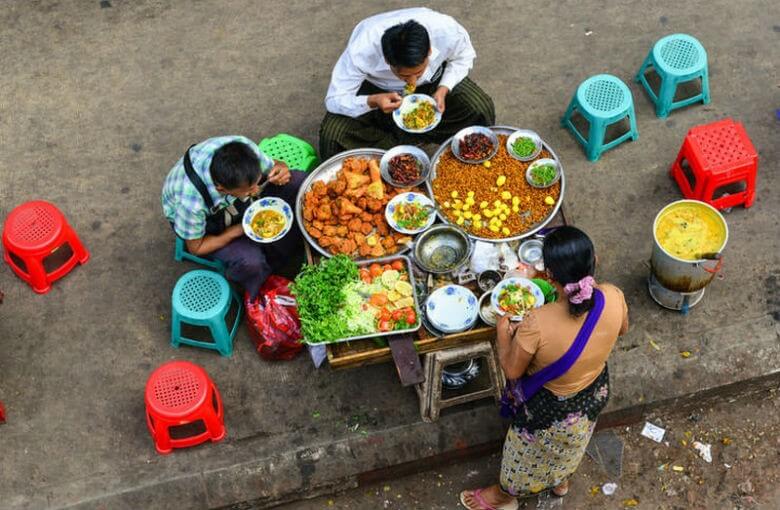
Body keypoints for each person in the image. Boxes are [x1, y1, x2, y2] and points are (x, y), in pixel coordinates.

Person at [460, 226, 629, 510]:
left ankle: (504, 495)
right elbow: (622, 329)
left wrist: (503, 334)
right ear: (595, 260)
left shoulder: (536, 322)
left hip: (550, 409)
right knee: (574, 444)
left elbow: (512, 371)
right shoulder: (613, 295)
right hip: (594, 392)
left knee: (525, 451)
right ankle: (560, 481)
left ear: (549, 276)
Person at [319, 7, 495, 159]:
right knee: (333, 134)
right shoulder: (362, 49)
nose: (411, 82)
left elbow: (463, 57)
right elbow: (335, 99)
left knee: (479, 107)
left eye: (417, 73)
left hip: (434, 82)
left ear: (429, 52)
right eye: (403, 76)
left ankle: (457, 152)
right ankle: (391, 150)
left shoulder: (445, 30)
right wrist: (372, 100)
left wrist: (443, 89)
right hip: (377, 90)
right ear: (388, 61)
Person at [162, 135, 306, 299]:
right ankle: (257, 287)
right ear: (222, 190)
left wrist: (281, 169)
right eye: (249, 190)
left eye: (257, 184)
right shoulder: (190, 203)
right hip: (206, 227)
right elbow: (196, 247)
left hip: (233, 195)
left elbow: (275, 165)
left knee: (299, 181)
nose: (256, 192)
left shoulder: (243, 148)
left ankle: (282, 251)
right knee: (250, 262)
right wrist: (236, 231)